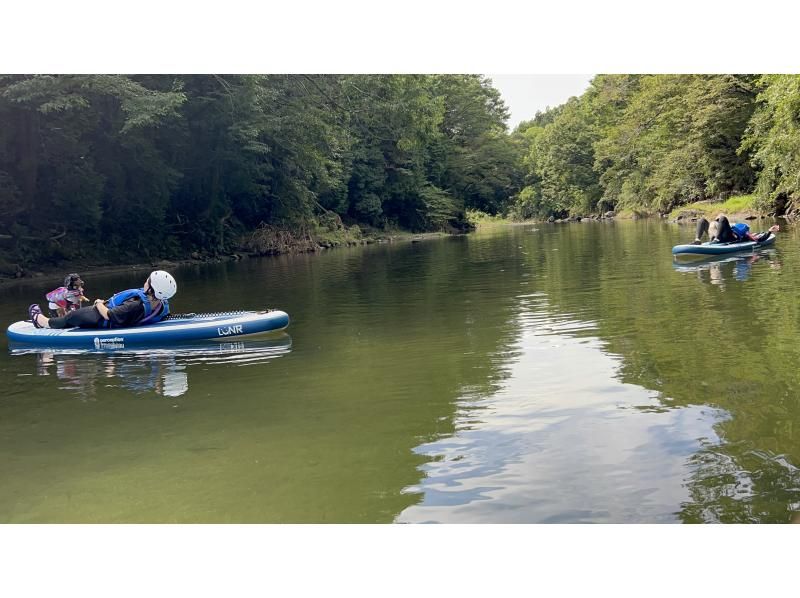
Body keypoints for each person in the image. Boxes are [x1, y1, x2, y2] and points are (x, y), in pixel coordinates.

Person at [28, 270, 177, 330]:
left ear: (151, 289)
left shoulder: (135, 304)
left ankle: (41, 321)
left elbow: (109, 315)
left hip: (98, 317)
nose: (145, 282)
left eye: (148, 281)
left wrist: (99, 303)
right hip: (117, 317)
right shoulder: (161, 303)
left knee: (69, 318)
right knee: (70, 315)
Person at [693, 214, 779, 244]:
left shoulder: (745, 233)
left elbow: (759, 239)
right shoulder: (717, 225)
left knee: (722, 218)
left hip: (728, 237)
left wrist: (769, 232)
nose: (717, 221)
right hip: (717, 234)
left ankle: (717, 239)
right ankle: (697, 240)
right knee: (702, 220)